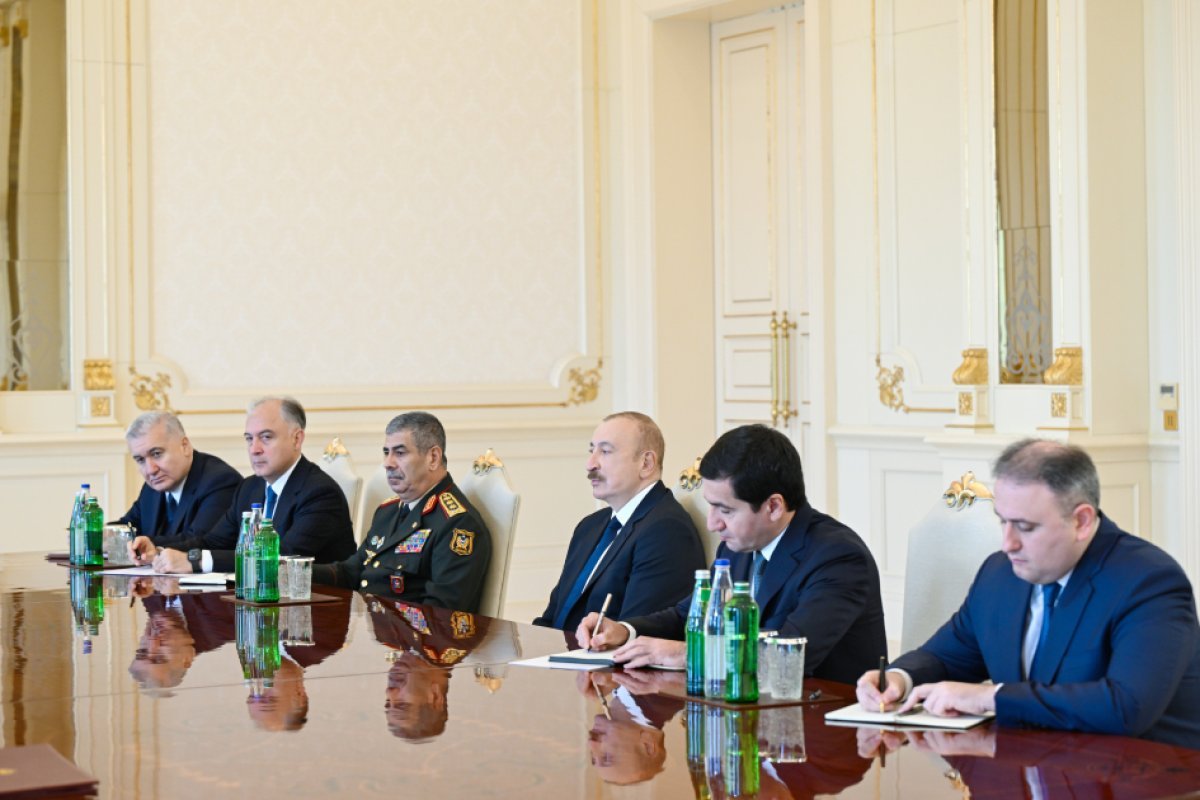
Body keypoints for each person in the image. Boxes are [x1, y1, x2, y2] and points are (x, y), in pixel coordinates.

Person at [855, 439, 1200, 749]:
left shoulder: (1148, 582)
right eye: (1002, 521)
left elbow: (1125, 707)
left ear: (1081, 521)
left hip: (1145, 778)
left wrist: (991, 698)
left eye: (1025, 527)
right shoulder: (999, 573)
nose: (1008, 543)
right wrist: (899, 679)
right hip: (1030, 768)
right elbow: (948, 657)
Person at [577, 424, 886, 685]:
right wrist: (625, 630)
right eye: (711, 506)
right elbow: (689, 614)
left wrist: (687, 654)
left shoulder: (838, 557)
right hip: (746, 712)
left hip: (820, 723)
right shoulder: (739, 545)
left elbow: (790, 655)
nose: (713, 524)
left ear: (773, 507)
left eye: (725, 510)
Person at [131, 397, 356, 573]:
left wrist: (196, 561)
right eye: (249, 439)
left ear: (297, 439)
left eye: (266, 437)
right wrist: (158, 551)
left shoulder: (319, 493)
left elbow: (280, 558)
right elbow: (214, 541)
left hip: (317, 608)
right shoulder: (250, 488)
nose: (254, 449)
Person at [534, 412, 705, 630]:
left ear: (646, 463)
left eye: (605, 451)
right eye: (591, 451)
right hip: (556, 649)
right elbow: (552, 618)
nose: (590, 464)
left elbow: (636, 633)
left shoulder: (666, 531)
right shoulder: (589, 526)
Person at [312, 412, 492, 611]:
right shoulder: (387, 511)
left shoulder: (457, 525)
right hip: (368, 624)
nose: (387, 463)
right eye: (386, 452)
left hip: (404, 631)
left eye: (400, 453)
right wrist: (293, 572)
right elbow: (350, 573)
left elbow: (440, 613)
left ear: (433, 458)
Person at [368, 595, 491, 740]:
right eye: (402, 704)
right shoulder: (451, 638)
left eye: (388, 702)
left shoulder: (385, 636)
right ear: (435, 696)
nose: (390, 692)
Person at [114, 411, 240, 543]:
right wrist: (102, 535)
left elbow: (198, 542)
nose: (150, 470)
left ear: (185, 446)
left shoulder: (219, 482)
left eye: (157, 454)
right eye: (140, 460)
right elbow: (127, 526)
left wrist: (144, 544)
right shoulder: (154, 485)